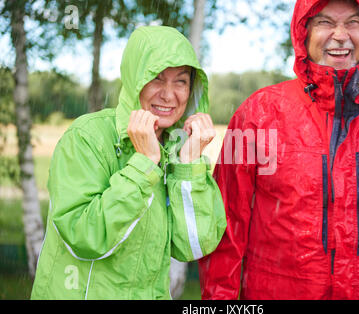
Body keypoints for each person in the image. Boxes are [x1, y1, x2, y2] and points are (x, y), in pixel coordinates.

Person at [198, 0, 359, 300]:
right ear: (304, 32)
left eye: (353, 22)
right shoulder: (258, 114)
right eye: (325, 22)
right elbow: (226, 228)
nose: (340, 35)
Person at [31, 26, 226, 300]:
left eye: (181, 82)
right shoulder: (88, 137)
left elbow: (193, 246)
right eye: (157, 78)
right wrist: (144, 164)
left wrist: (189, 163)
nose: (169, 95)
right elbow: (84, 236)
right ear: (135, 80)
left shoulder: (176, 148)